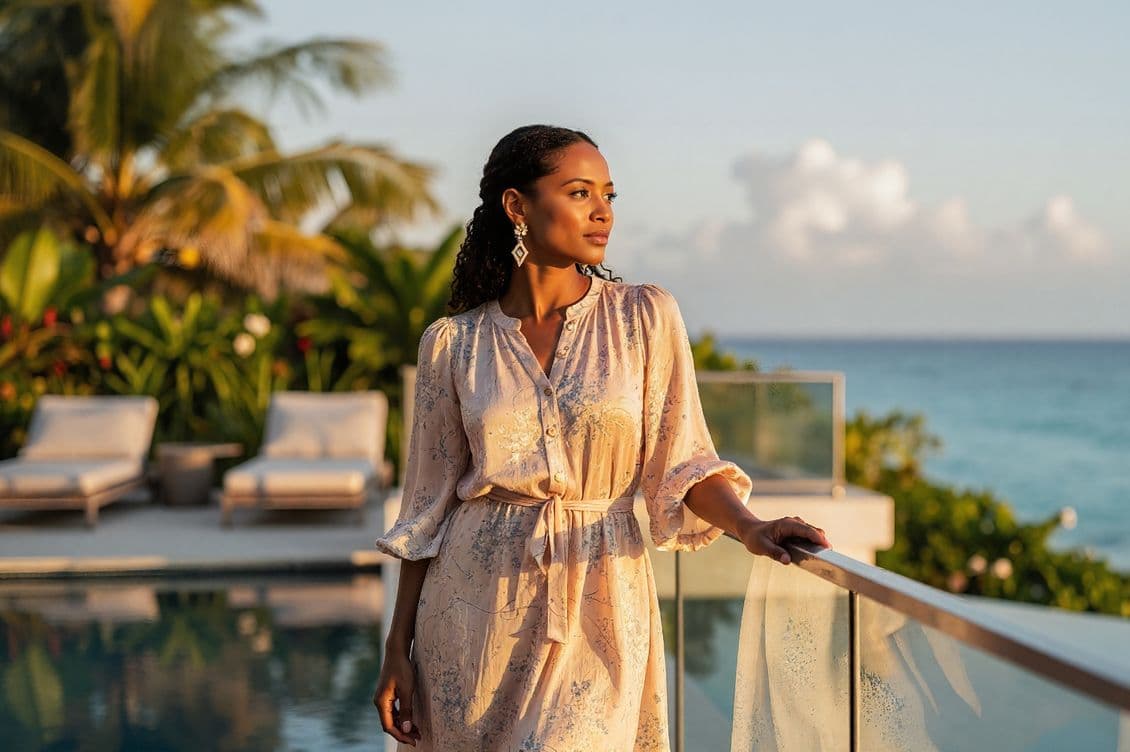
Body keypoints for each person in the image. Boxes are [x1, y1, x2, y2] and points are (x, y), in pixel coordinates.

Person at [372, 124, 832, 750]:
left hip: (600, 602)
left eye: (609, 196)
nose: (601, 213)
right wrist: (397, 650)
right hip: (471, 619)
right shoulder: (454, 345)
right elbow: (427, 511)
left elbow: (684, 463)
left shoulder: (644, 317)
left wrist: (750, 527)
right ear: (518, 208)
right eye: (580, 193)